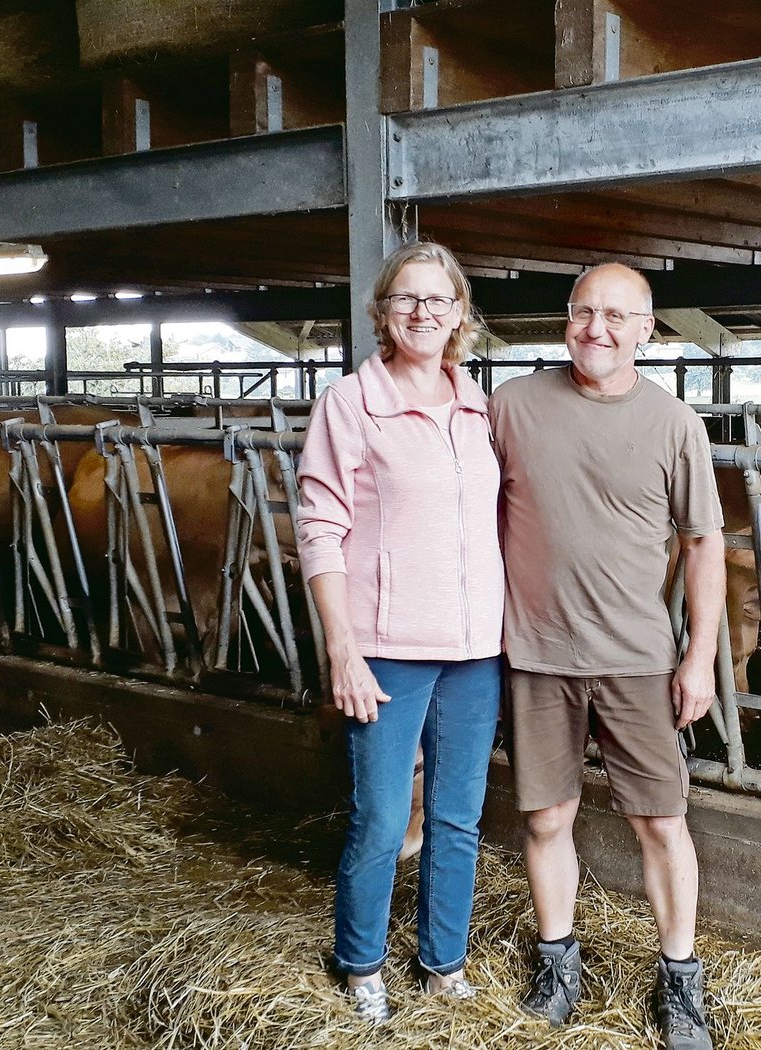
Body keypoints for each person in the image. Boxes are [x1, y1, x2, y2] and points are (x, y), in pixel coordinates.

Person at [490, 262, 726, 1050]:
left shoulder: (674, 425)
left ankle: (680, 984)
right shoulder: (511, 407)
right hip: (536, 651)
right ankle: (558, 966)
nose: (598, 329)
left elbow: (702, 545)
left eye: (618, 317)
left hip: (636, 657)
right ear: (566, 317)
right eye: (585, 311)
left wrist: (699, 656)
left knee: (661, 821)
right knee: (546, 814)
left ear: (648, 331)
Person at [296, 241, 503, 1024]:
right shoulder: (351, 403)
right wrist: (341, 648)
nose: (424, 313)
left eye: (439, 300)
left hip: (476, 650)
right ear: (382, 312)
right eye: (407, 299)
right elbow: (320, 529)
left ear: (460, 316)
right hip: (385, 646)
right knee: (384, 816)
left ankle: (444, 963)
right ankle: (360, 964)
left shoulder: (478, 404)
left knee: (457, 815)